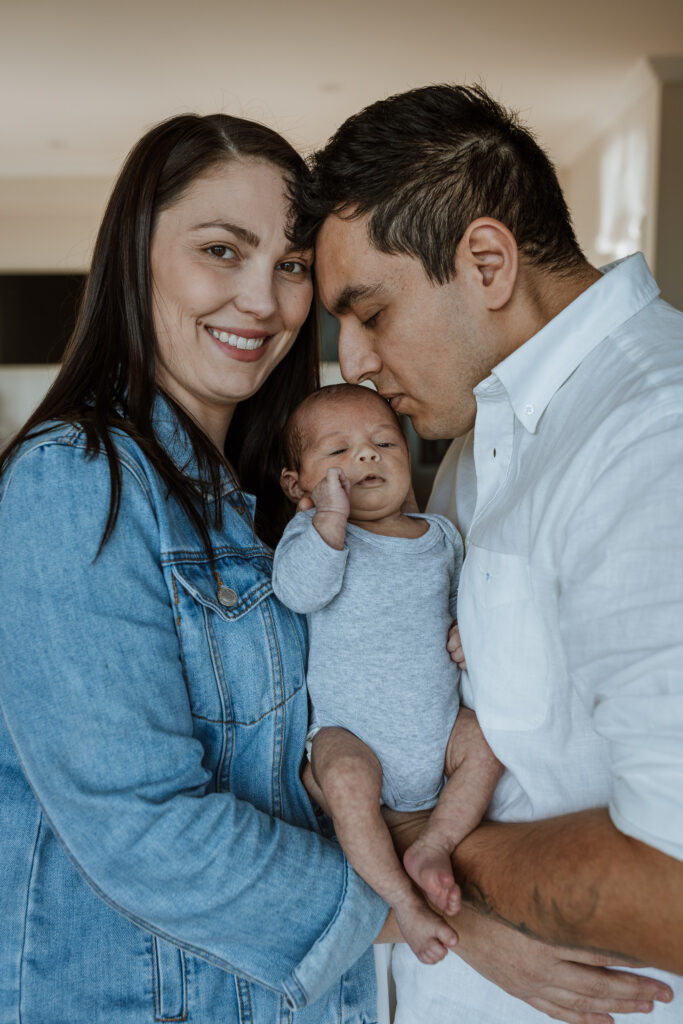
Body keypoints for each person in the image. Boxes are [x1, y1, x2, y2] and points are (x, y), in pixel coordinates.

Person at [296, 83, 683, 1023]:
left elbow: (674, 883)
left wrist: (432, 852)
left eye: (371, 312)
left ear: (485, 260)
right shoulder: (476, 438)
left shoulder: (654, 435)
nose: (352, 361)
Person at [0, 112, 392, 1023]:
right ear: (137, 255)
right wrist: (427, 913)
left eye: (292, 266)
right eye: (222, 250)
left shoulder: (267, 507)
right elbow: (143, 827)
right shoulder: (76, 478)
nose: (263, 300)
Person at [271, 382, 502, 964]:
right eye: (338, 452)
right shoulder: (316, 537)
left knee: (487, 742)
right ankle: (402, 900)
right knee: (345, 783)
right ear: (297, 485)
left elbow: (461, 601)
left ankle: (435, 843)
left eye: (383, 442)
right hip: (352, 736)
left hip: (437, 731)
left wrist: (466, 630)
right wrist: (326, 520)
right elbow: (297, 592)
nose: (366, 456)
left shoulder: (441, 536)